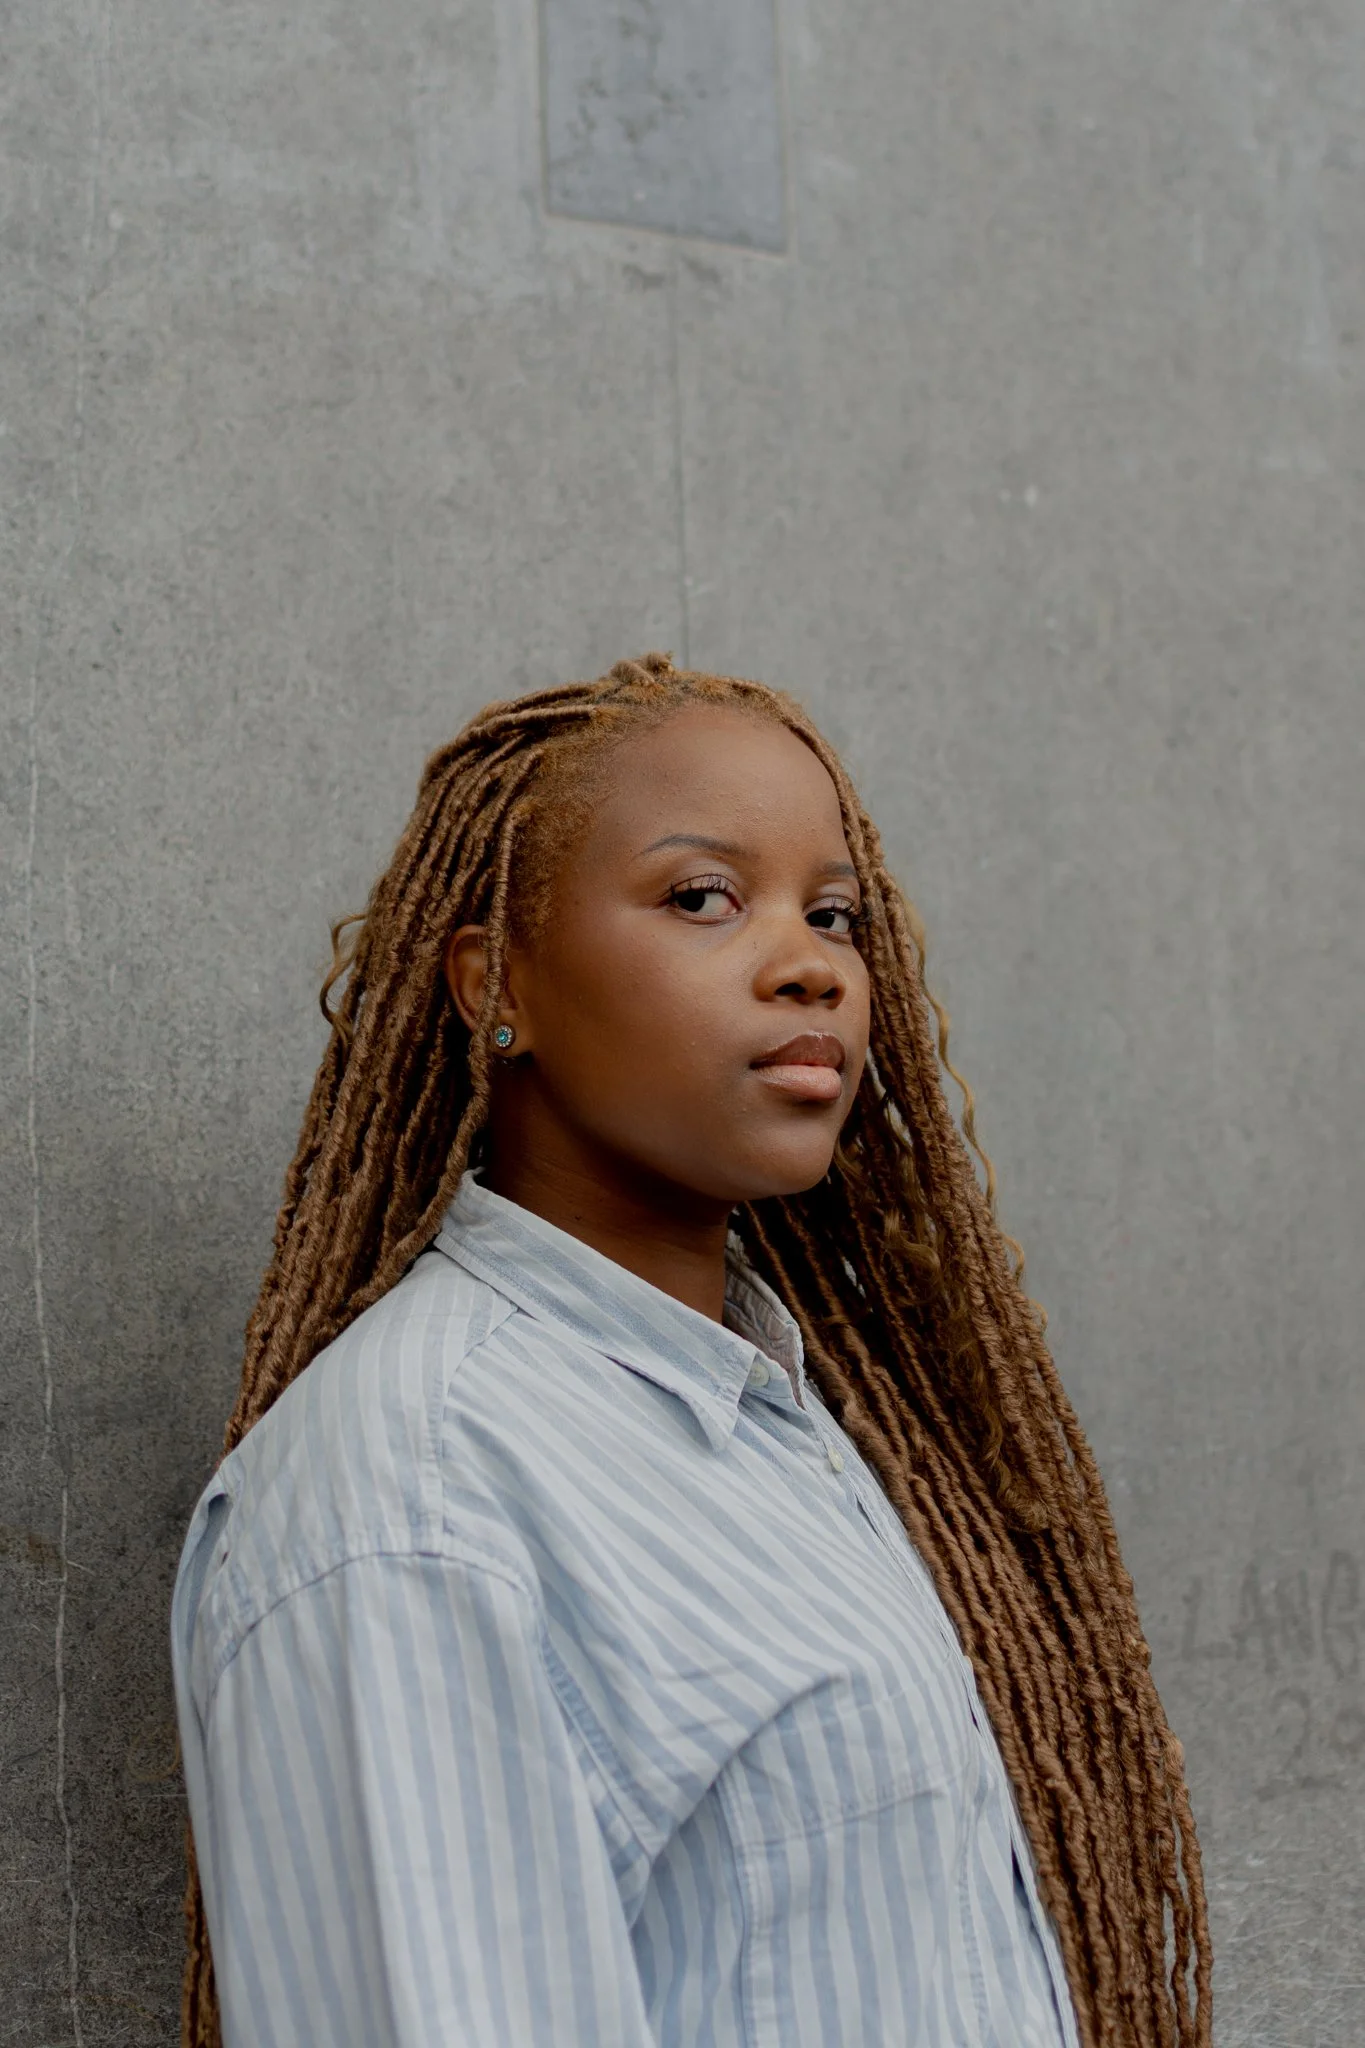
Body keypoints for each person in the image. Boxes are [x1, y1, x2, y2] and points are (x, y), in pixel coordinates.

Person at [171, 652, 1212, 2048]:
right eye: (701, 897)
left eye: (833, 913)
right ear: (499, 988)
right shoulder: (415, 1499)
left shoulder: (794, 1415)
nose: (810, 966)